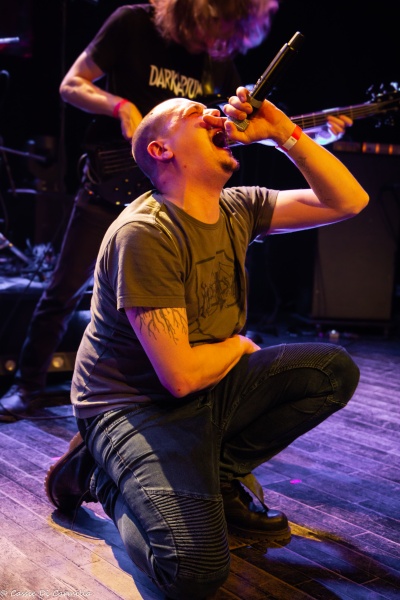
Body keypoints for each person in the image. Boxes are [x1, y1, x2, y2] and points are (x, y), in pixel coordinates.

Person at [44, 89, 368, 600]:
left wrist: (283, 134)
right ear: (161, 150)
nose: (216, 116)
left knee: (331, 371)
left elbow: (348, 201)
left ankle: (214, 473)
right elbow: (180, 378)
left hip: (201, 386)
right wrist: (238, 345)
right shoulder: (145, 233)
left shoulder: (239, 207)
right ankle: (102, 473)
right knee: (194, 571)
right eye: (196, 113)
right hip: (131, 407)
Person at [0, 0, 352, 423]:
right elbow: (71, 84)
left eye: (231, 28)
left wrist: (302, 136)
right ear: (195, 9)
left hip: (178, 194)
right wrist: (121, 107)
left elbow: (238, 127)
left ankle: (183, 395)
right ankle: (28, 386)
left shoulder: (216, 60)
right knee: (63, 289)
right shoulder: (133, 23)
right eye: (217, 21)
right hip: (112, 180)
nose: (221, 36)